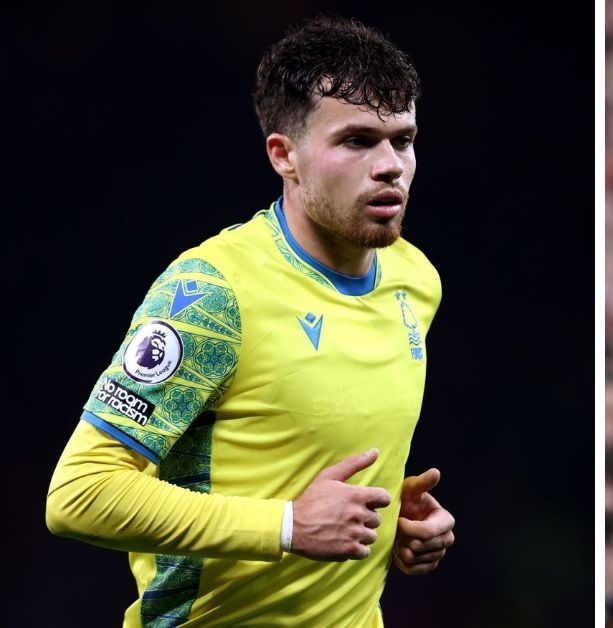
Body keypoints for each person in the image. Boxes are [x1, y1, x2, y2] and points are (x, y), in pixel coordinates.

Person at [45, 16, 455, 627]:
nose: (391, 165)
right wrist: (288, 526)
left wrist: (397, 519)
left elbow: (307, 449)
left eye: (403, 139)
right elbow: (79, 495)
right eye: (357, 141)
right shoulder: (210, 293)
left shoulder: (416, 281)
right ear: (284, 155)